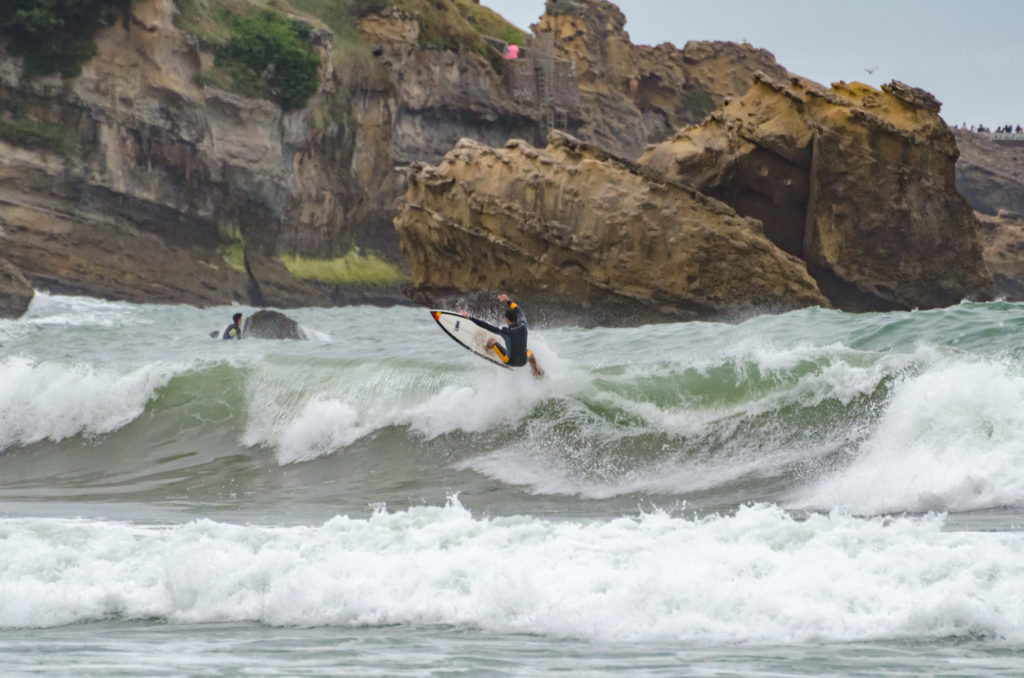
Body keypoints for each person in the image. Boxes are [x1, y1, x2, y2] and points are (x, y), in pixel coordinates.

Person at [462, 293, 543, 376]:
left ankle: (485, 350)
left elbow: (486, 326)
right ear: (516, 318)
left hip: (509, 361)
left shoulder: (505, 331)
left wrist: (470, 317)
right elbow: (519, 310)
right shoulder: (523, 324)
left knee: (491, 340)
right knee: (529, 352)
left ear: (507, 320)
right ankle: (535, 368)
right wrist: (508, 301)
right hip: (523, 362)